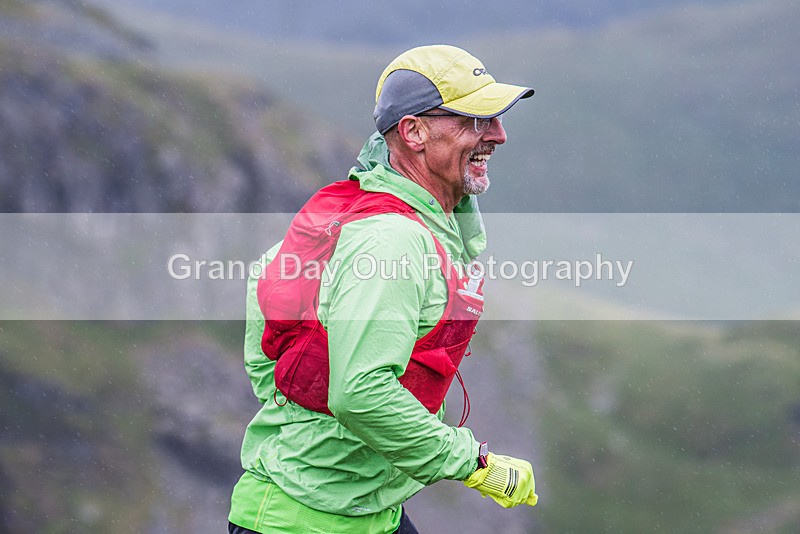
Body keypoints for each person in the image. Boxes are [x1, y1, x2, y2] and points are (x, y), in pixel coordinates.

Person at [228, 44, 537, 534]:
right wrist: (476, 465)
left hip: (355, 512)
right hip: (310, 523)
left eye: (495, 118)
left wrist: (303, 416)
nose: (499, 134)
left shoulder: (358, 210)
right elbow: (360, 394)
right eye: (476, 120)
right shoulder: (393, 241)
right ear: (413, 131)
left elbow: (265, 326)